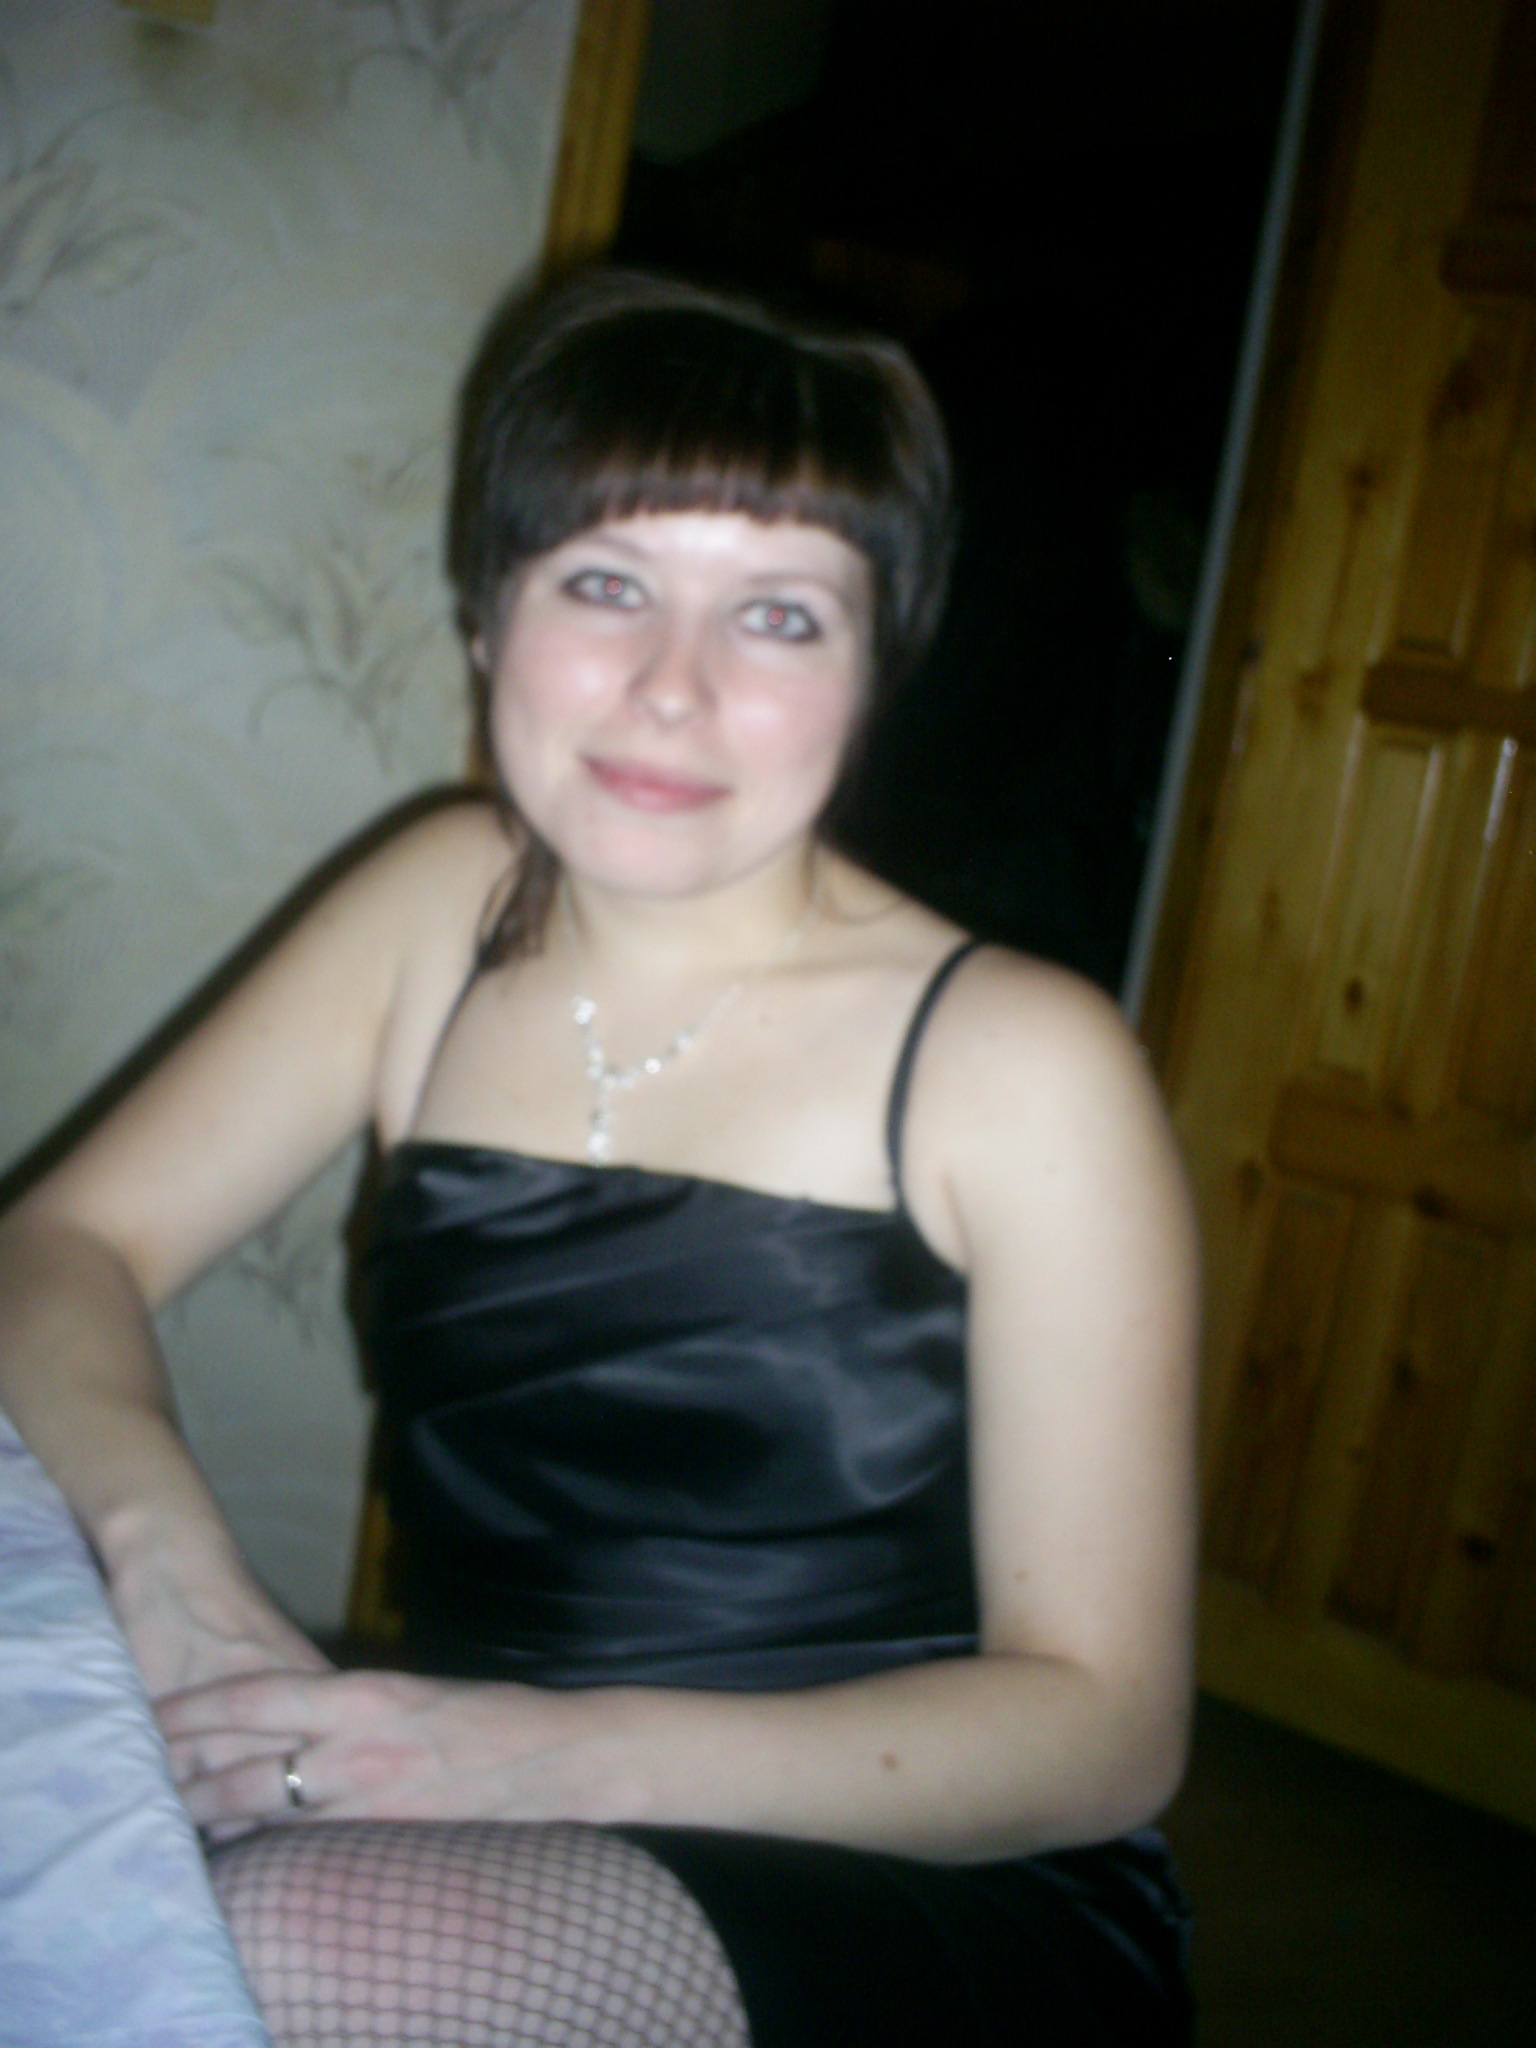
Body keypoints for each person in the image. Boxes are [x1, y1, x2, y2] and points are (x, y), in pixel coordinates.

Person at [0, 269, 1200, 2048]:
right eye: (609, 584)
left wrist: (530, 1759)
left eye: (780, 617)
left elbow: (1105, 1731)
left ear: (874, 673)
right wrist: (169, 1567)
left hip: (912, 1861)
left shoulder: (1024, 1060)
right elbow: (60, 1245)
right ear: (491, 612)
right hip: (463, 1796)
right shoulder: (433, 909)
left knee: (282, 1950)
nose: (673, 689)